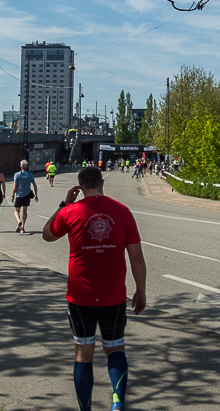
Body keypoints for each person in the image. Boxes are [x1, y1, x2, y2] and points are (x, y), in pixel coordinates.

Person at [43, 166, 146, 411]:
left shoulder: (70, 211)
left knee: (83, 354)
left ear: (80, 187)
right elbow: (136, 257)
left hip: (80, 295)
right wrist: (140, 290)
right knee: (115, 348)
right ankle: (118, 403)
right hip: (114, 295)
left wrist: (64, 204)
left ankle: (86, 409)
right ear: (102, 183)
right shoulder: (122, 211)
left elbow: (47, 235)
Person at [12, 159, 39, 233]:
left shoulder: (17, 175)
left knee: (16, 211)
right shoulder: (30, 175)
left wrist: (12, 195)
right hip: (27, 195)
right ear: (26, 167)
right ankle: (22, 227)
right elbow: (34, 185)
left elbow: (15, 187)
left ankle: (18, 221)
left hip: (19, 195)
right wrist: (36, 195)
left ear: (21, 166)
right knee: (25, 211)